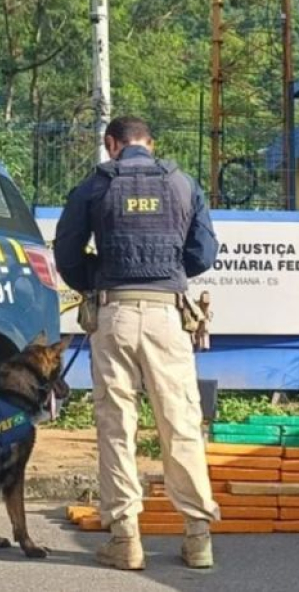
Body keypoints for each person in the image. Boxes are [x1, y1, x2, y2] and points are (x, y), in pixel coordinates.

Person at [54, 116, 220, 570]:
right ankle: (198, 537)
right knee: (180, 422)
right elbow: (204, 253)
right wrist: (169, 274)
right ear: (151, 143)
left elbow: (67, 253)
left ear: (111, 144)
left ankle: (126, 539)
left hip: (115, 314)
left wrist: (98, 278)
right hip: (168, 315)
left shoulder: (95, 184)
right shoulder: (182, 183)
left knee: (117, 425)